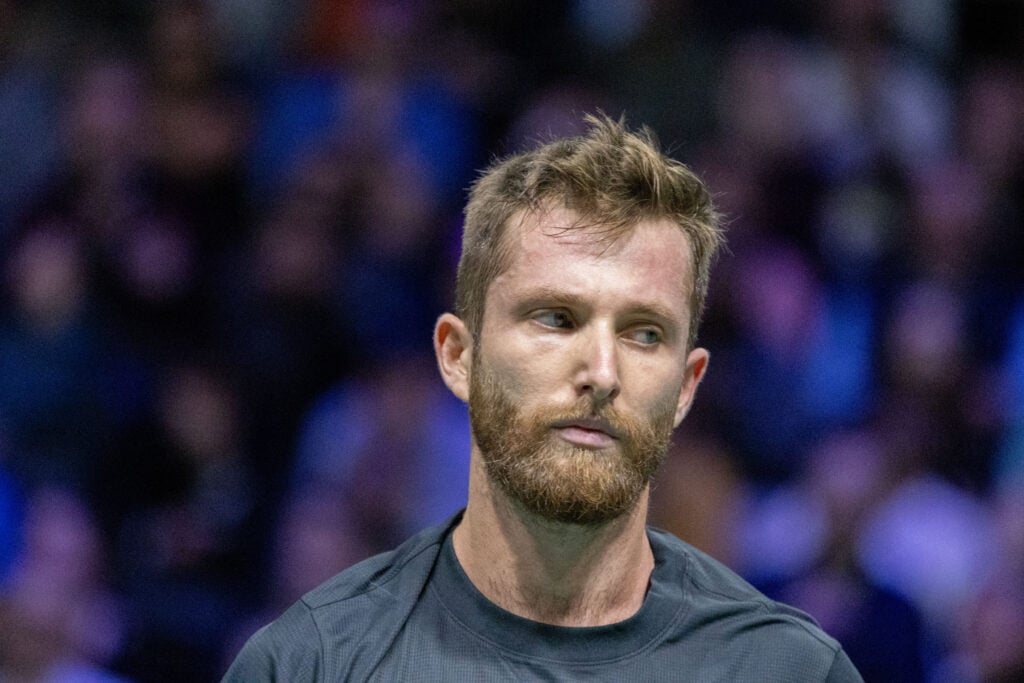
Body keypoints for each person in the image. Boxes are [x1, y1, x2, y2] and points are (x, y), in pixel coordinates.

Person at [222, 115, 863, 681]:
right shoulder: (309, 663)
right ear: (458, 357)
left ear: (686, 387)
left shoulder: (790, 671)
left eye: (645, 333)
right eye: (556, 318)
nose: (601, 372)